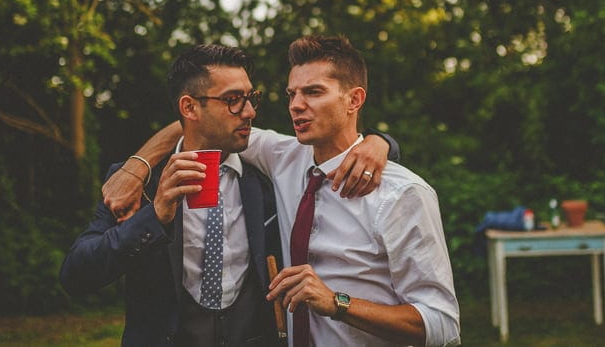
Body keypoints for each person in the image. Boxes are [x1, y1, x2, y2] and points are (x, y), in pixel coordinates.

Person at [107, 35, 461, 346]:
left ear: (354, 100)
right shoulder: (282, 156)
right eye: (292, 93)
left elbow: (442, 325)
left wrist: (336, 302)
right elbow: (202, 121)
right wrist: (136, 166)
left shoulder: (403, 194)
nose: (295, 104)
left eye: (313, 92)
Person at [59, 43, 393, 346]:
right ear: (190, 108)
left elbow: (338, 146)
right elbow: (76, 277)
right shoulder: (139, 184)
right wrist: (155, 214)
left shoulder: (270, 175)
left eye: (251, 98)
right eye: (233, 100)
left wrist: (380, 142)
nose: (249, 112)